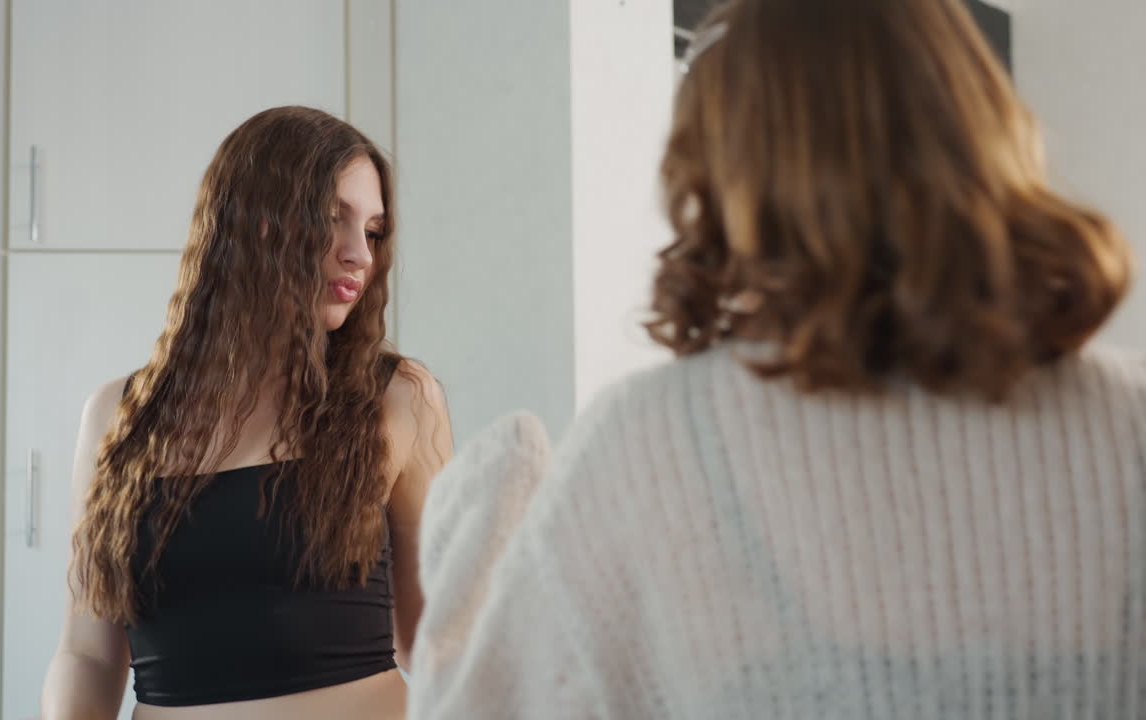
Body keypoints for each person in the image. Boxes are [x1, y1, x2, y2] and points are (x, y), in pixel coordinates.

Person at [408, 0, 1146, 717]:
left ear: (715, 166)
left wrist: (471, 552)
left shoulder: (648, 446)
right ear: (981, 122)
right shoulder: (1131, 423)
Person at [42, 106, 452, 720]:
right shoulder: (117, 417)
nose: (359, 255)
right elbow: (89, 657)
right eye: (333, 219)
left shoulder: (397, 400)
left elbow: (435, 639)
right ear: (251, 223)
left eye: (372, 231)